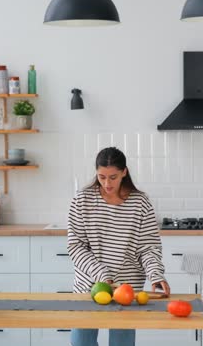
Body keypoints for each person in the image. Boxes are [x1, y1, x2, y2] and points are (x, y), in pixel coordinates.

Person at [67, 146, 170, 346]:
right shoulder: (82, 200)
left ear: (124, 172)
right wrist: (101, 274)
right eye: (101, 177)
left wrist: (156, 275)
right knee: (81, 343)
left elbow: (148, 248)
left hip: (127, 289)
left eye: (113, 177)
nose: (107, 183)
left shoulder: (140, 203)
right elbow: (76, 245)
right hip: (88, 286)